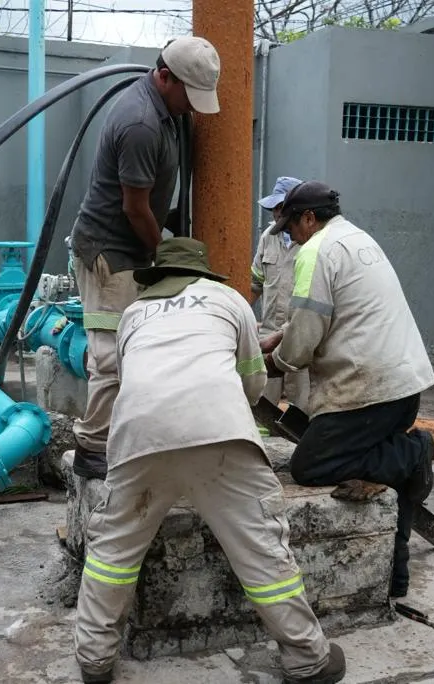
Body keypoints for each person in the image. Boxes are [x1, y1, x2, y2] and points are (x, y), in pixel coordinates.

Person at [74, 238, 345, 684]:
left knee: (113, 549)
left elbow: (128, 379)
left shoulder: (134, 313)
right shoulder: (229, 300)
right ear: (203, 274)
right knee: (260, 548)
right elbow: (254, 383)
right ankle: (307, 659)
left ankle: (94, 659)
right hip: (220, 433)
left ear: (158, 276)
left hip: (139, 436)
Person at [260, 181, 434, 599]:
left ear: (308, 218)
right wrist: (279, 336)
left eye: (291, 226)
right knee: (369, 469)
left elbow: (305, 334)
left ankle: (415, 452)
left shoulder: (316, 251)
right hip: (399, 385)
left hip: (371, 390)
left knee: (311, 466)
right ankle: (395, 578)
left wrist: (271, 362)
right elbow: (334, 310)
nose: (289, 236)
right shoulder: (357, 239)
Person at [68, 36, 222, 480]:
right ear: (165, 75)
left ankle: (121, 433)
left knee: (129, 351)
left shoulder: (167, 111)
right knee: (111, 355)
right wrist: (164, 255)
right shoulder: (141, 123)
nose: (192, 107)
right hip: (110, 254)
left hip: (130, 248)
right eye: (188, 96)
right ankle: (92, 448)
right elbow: (134, 207)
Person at [251, 175, 309, 408]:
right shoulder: (268, 237)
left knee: (302, 399)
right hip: (268, 330)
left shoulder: (309, 241)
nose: (276, 213)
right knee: (262, 398)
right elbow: (256, 282)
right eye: (273, 208)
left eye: (280, 207)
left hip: (298, 331)